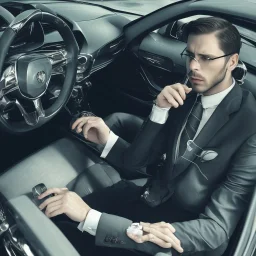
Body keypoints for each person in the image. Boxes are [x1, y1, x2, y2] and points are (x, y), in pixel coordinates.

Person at [38, 17, 256, 256]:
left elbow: (216, 228)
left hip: (184, 234)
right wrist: (157, 111)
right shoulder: (187, 94)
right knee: (54, 214)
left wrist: (90, 218)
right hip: (150, 196)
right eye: (190, 55)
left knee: (69, 235)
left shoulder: (250, 127)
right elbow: (140, 163)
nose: (193, 66)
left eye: (205, 58)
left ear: (232, 61)